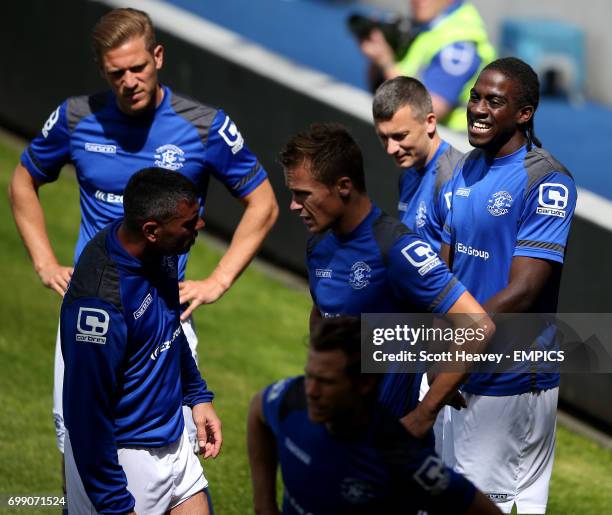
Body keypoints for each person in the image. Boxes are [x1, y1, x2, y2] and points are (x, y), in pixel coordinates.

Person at [7, 6, 277, 476]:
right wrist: (45, 263)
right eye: (117, 73)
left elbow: (264, 203)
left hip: (164, 313)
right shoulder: (76, 118)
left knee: (173, 455)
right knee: (80, 443)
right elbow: (23, 181)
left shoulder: (204, 126)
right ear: (103, 72)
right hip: (92, 311)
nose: (129, 80)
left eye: (138, 67)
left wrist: (218, 280)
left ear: (158, 56)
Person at [280, 122, 494, 439]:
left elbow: (478, 327)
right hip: (333, 431)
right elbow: (322, 313)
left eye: (303, 194)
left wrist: (424, 414)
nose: (294, 206)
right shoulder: (318, 246)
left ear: (343, 186)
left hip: (386, 443)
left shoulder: (398, 249)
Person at [440, 57, 577, 514]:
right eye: (475, 97)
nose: (478, 108)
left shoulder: (547, 181)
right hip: (458, 367)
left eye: (494, 101)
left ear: (524, 113)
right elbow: (444, 269)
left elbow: (523, 291)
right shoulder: (464, 168)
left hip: (510, 378)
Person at [61, 168, 221, 514]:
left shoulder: (159, 252)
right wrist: (115, 503)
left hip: (172, 437)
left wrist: (197, 396)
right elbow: (87, 413)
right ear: (151, 230)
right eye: (190, 223)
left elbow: (168, 329)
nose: (200, 228)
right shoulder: (100, 302)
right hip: (125, 456)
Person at [248, 316, 501, 515]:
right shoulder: (292, 398)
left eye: (325, 382)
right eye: (310, 376)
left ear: (364, 384)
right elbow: (257, 410)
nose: (311, 391)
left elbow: (479, 508)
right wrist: (265, 507)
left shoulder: (401, 456)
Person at [358, 0, 495, 130]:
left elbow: (425, 112)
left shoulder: (459, 43)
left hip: (454, 144)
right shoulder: (429, 24)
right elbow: (379, 90)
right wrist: (379, 54)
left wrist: (386, 63)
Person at [373, 76, 464, 251]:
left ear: (430, 122)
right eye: (383, 137)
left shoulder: (453, 179)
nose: (391, 149)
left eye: (400, 136)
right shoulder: (408, 173)